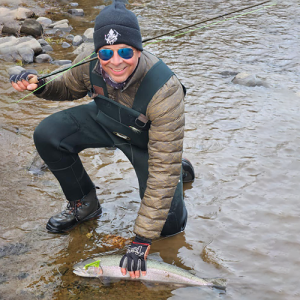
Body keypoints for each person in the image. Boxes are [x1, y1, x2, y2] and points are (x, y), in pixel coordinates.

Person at [10, 0, 194, 279]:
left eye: (125, 52)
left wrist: (142, 240)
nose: (115, 61)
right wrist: (40, 85)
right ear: (98, 52)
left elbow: (161, 169)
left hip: (148, 145)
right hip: (106, 123)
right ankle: (84, 204)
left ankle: (178, 167)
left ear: (138, 49)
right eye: (106, 52)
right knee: (48, 134)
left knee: (168, 229)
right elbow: (67, 87)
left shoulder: (165, 90)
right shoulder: (91, 65)